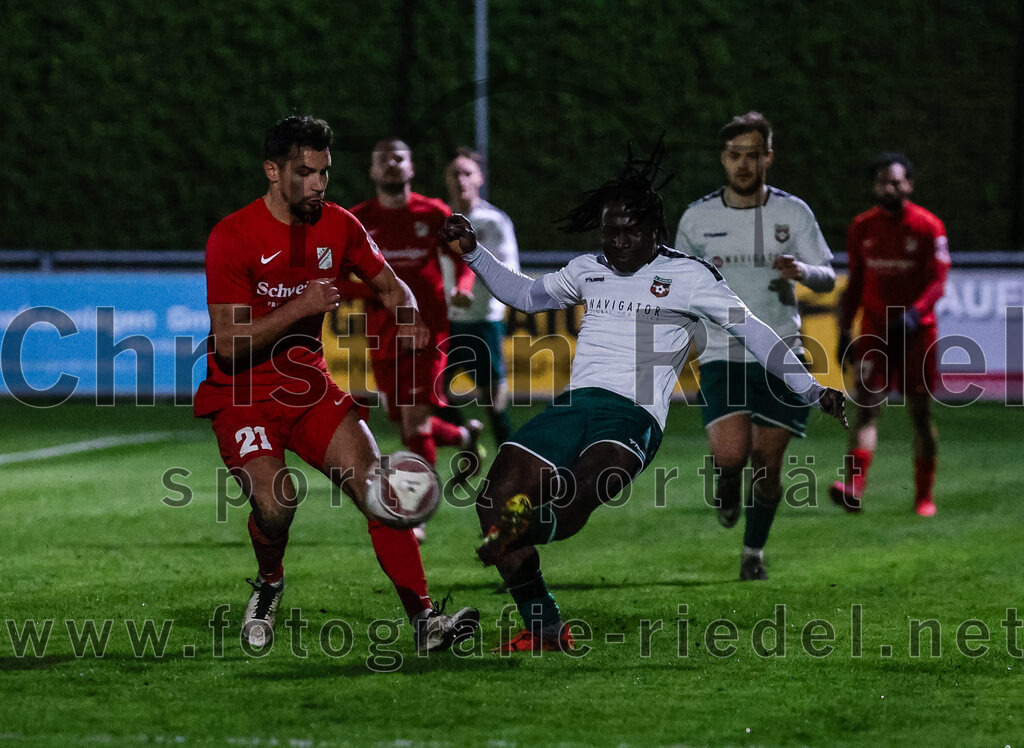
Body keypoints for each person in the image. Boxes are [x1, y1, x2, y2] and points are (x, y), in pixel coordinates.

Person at [441, 143, 847, 653]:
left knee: (583, 488)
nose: (618, 240)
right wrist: (474, 253)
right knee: (491, 500)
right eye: (610, 230)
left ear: (655, 229)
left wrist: (811, 388)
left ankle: (522, 533)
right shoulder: (590, 267)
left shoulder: (691, 277)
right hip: (574, 405)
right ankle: (543, 626)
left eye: (630, 230)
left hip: (633, 415)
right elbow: (525, 294)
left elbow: (758, 333)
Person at [193, 115, 478, 651]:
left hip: (309, 389)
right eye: (306, 172)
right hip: (241, 395)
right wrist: (300, 306)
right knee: (276, 507)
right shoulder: (232, 236)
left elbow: (394, 288)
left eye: (325, 172)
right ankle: (270, 582)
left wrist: (410, 313)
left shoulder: (340, 225)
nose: (319, 184)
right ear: (273, 172)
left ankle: (424, 621)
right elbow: (229, 343)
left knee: (379, 492)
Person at [674, 111, 836, 581]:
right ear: (723, 160)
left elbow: (826, 275)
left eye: (752, 155)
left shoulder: (793, 213)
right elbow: (678, 282)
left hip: (784, 354)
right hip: (723, 350)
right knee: (731, 455)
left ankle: (752, 554)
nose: (743, 165)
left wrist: (805, 273)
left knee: (767, 464)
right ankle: (726, 480)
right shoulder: (697, 217)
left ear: (768, 157)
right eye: (733, 155)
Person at [348, 139, 485, 509]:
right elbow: (340, 274)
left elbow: (462, 257)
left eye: (399, 158)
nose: (392, 164)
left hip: (428, 332)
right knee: (407, 424)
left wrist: (463, 286)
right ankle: (461, 435)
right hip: (382, 334)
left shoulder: (432, 212)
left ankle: (416, 509)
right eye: (383, 160)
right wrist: (354, 291)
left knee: (415, 419)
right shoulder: (359, 220)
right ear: (373, 170)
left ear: (411, 168)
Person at [830, 152, 950, 517]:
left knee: (920, 414)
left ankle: (923, 495)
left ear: (909, 185)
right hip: (875, 332)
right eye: (883, 181)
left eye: (896, 181)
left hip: (918, 334)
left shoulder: (929, 226)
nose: (889, 187)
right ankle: (853, 487)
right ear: (875, 186)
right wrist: (843, 331)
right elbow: (855, 284)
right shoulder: (862, 227)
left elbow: (938, 280)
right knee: (866, 409)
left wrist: (914, 315)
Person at [440, 147, 520, 446]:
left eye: (467, 172)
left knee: (492, 397)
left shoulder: (494, 221)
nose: (460, 179)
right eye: (454, 173)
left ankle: (508, 451)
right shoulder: (440, 218)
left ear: (480, 178)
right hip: (445, 321)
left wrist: (469, 287)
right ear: (446, 179)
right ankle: (466, 435)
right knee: (432, 389)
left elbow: (509, 270)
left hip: (483, 320)